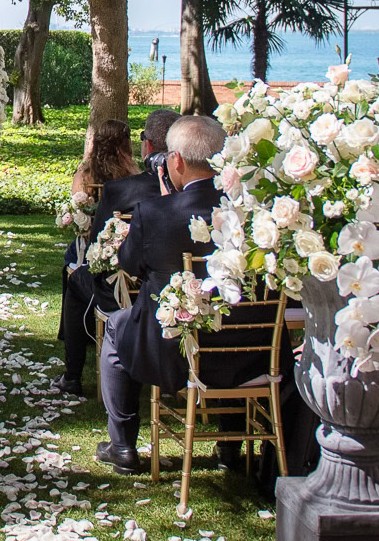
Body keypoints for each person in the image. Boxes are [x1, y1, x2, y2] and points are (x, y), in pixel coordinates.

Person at [97, 115, 263, 472]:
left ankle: (122, 444)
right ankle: (230, 448)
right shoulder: (251, 214)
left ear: (176, 161)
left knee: (116, 327)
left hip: (170, 350)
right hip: (249, 353)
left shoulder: (154, 212)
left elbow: (127, 264)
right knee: (221, 326)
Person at [55, 115, 170, 397]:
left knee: (74, 278)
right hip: (166, 282)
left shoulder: (110, 184)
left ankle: (72, 374)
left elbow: (97, 241)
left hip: (122, 276)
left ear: (148, 146)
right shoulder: (178, 189)